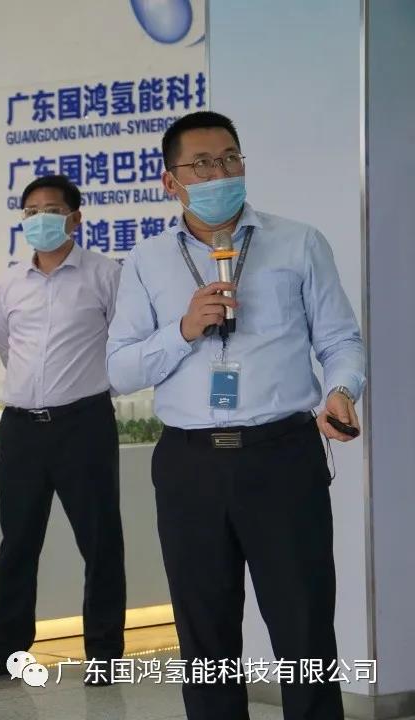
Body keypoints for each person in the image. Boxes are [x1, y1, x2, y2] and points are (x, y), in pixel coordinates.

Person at [106, 111, 364, 720]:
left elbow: (340, 340)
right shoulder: (145, 261)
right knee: (205, 638)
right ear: (171, 181)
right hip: (189, 464)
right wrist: (183, 329)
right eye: (201, 164)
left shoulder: (298, 242)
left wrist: (341, 390)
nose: (219, 173)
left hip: (283, 456)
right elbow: (120, 370)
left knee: (304, 630)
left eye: (229, 159)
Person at [0, 175, 125, 685]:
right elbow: (6, 345)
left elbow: (124, 343)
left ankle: (104, 652)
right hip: (21, 428)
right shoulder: (11, 283)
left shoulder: (105, 275)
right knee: (17, 541)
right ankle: (5, 649)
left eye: (51, 210)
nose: (40, 220)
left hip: (84, 424)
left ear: (75, 218)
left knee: (100, 541)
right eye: (31, 212)